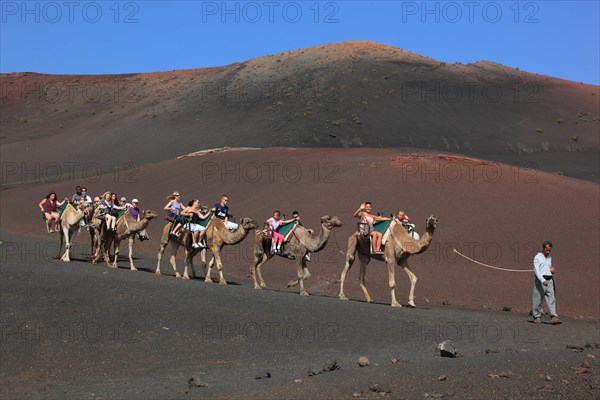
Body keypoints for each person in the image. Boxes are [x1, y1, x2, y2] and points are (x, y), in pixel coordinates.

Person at [532, 241, 561, 325]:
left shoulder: (549, 258)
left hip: (550, 280)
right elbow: (536, 270)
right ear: (543, 248)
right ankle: (536, 316)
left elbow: (549, 267)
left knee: (551, 298)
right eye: (547, 250)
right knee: (537, 298)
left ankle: (553, 317)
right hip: (541, 280)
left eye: (549, 250)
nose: (548, 251)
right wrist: (542, 280)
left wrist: (552, 270)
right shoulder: (537, 257)